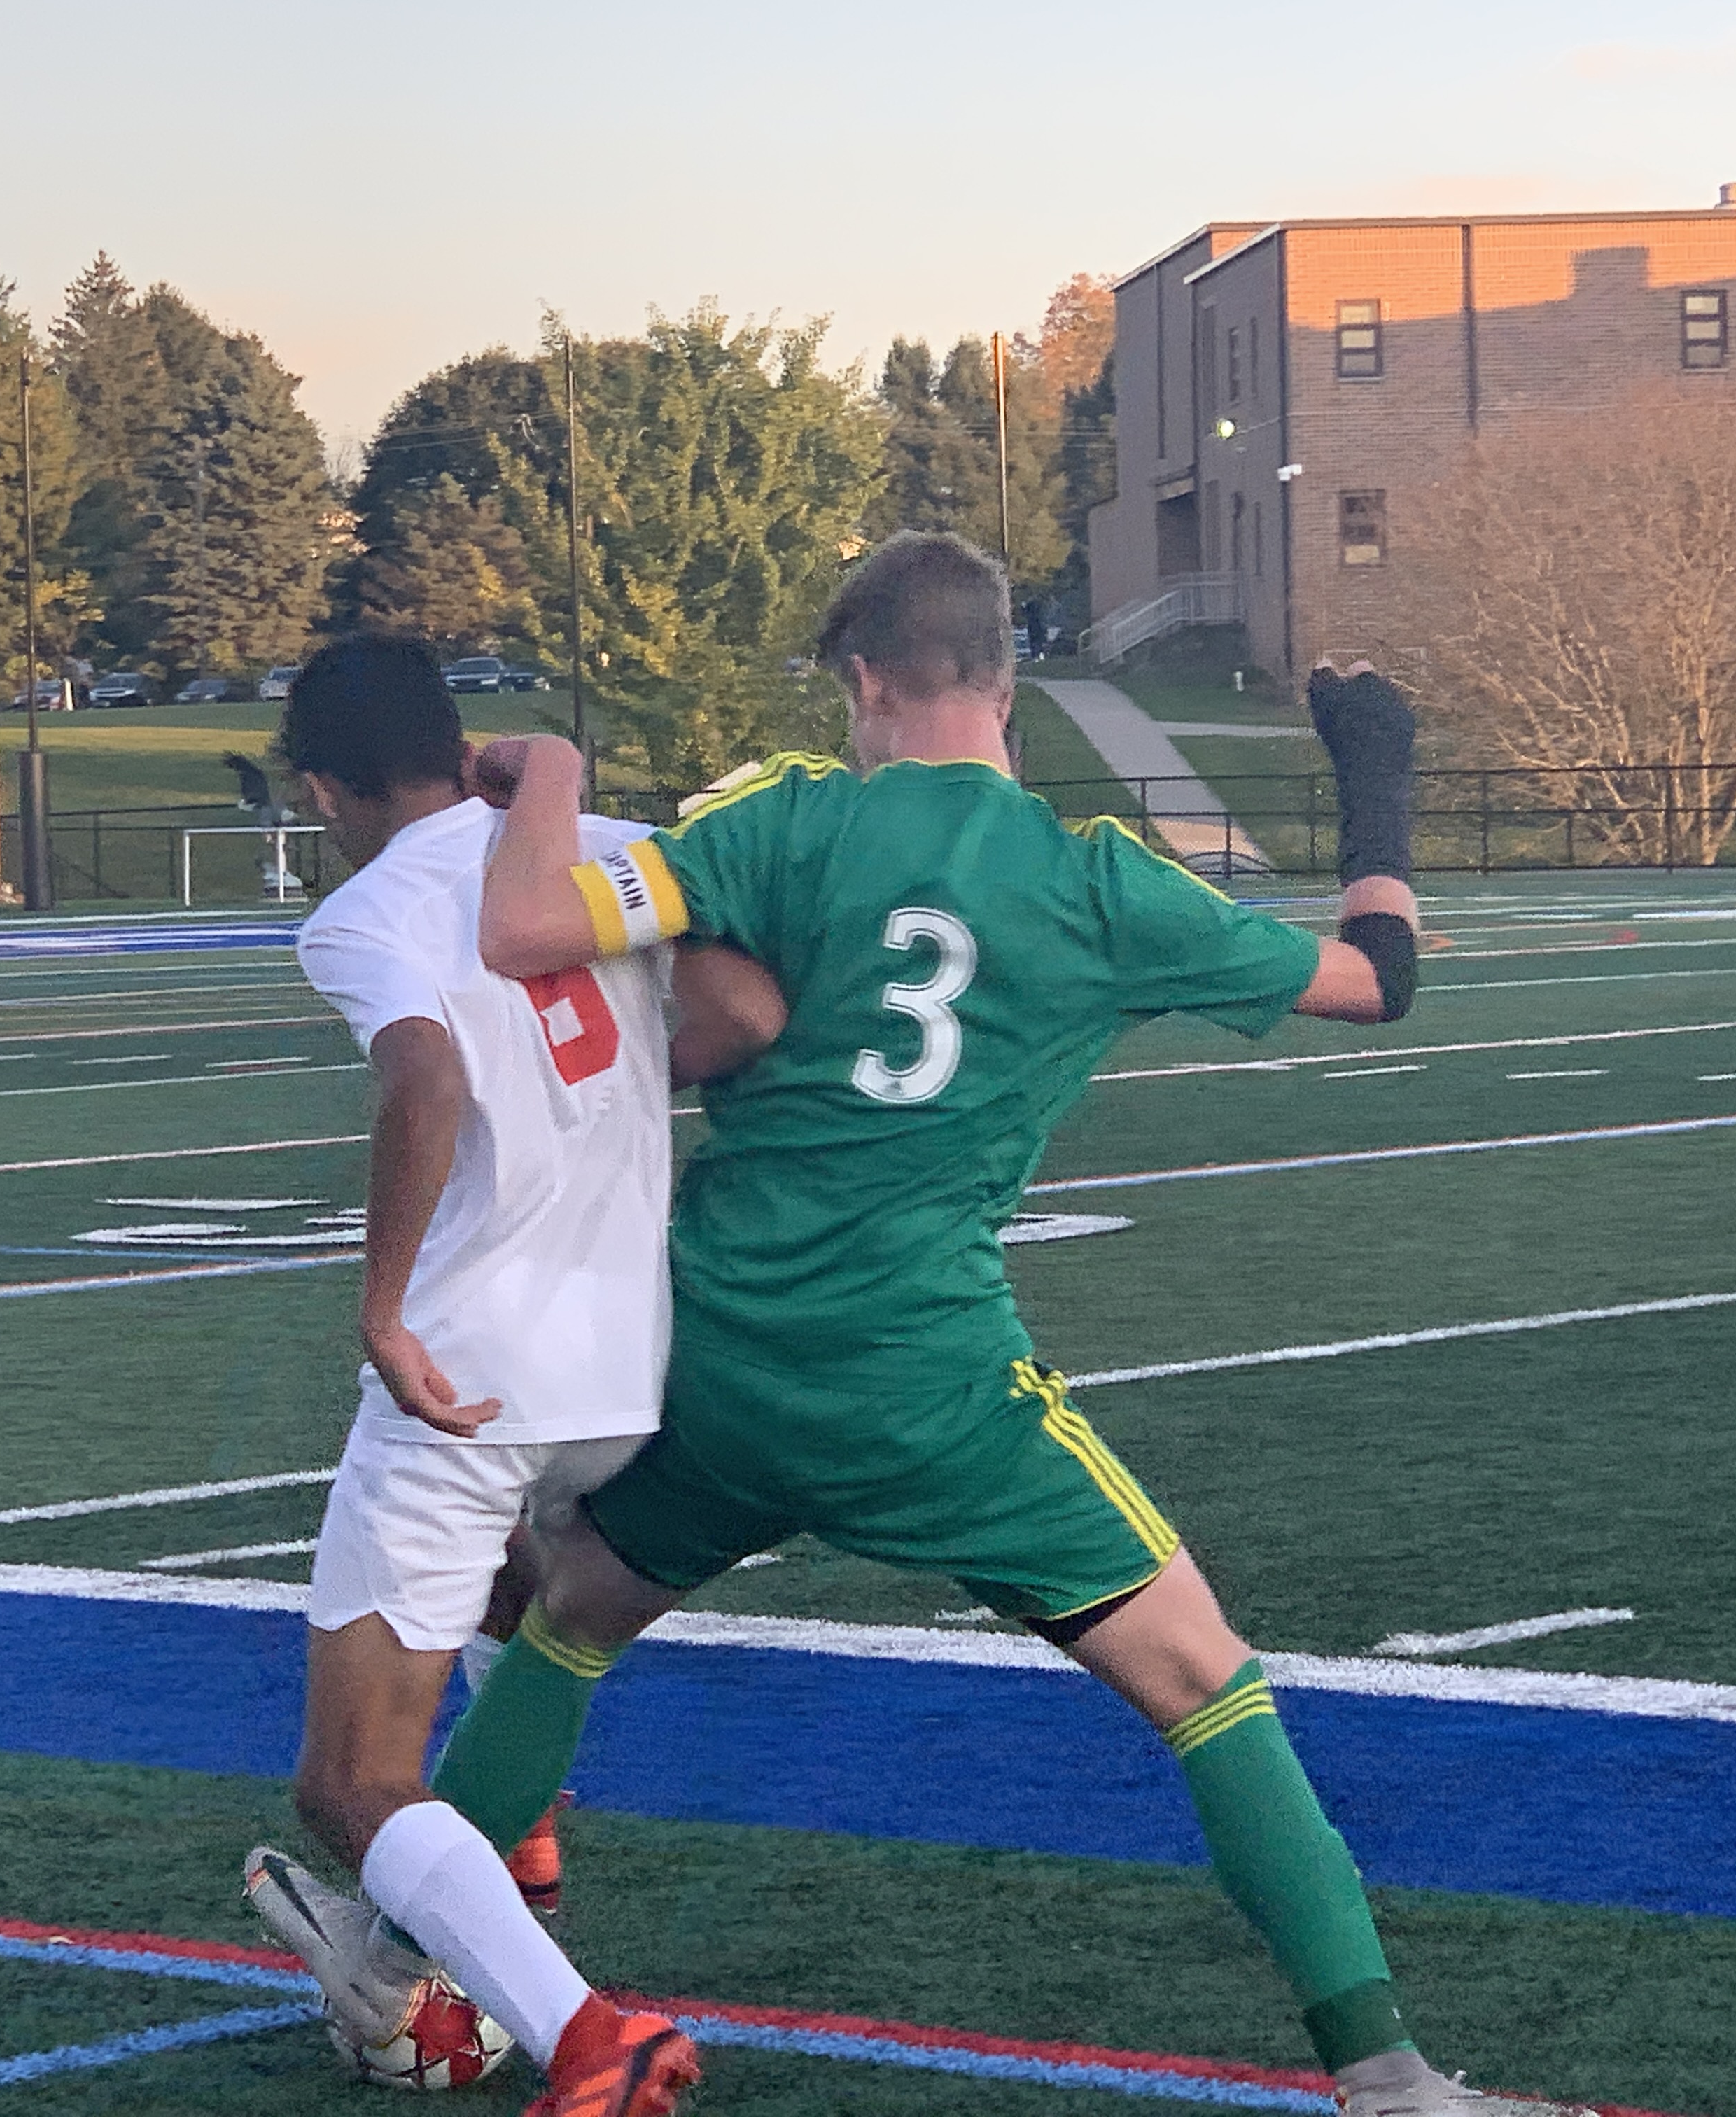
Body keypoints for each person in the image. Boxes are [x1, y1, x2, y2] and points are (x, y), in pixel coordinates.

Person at [433, 533, 1582, 2117]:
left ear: (862, 682)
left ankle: (401, 1952)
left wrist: (545, 771)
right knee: (1204, 1679)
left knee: (567, 1615)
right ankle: (1385, 2077)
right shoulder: (1095, 879)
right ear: (1002, 684)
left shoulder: (778, 821)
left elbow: (527, 928)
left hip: (726, 1356)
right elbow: (1379, 982)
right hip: (927, 1380)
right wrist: (1374, 774)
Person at [241, 637, 779, 2117]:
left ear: (327, 785)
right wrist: (604, 1093)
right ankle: (518, 1853)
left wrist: (383, 1305)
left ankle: (588, 2037)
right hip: (628, 1367)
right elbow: (743, 1018)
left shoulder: (362, 910)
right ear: (452, 738)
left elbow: (425, 1080)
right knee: (506, 1595)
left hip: (477, 1369)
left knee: (351, 1782)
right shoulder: (602, 849)